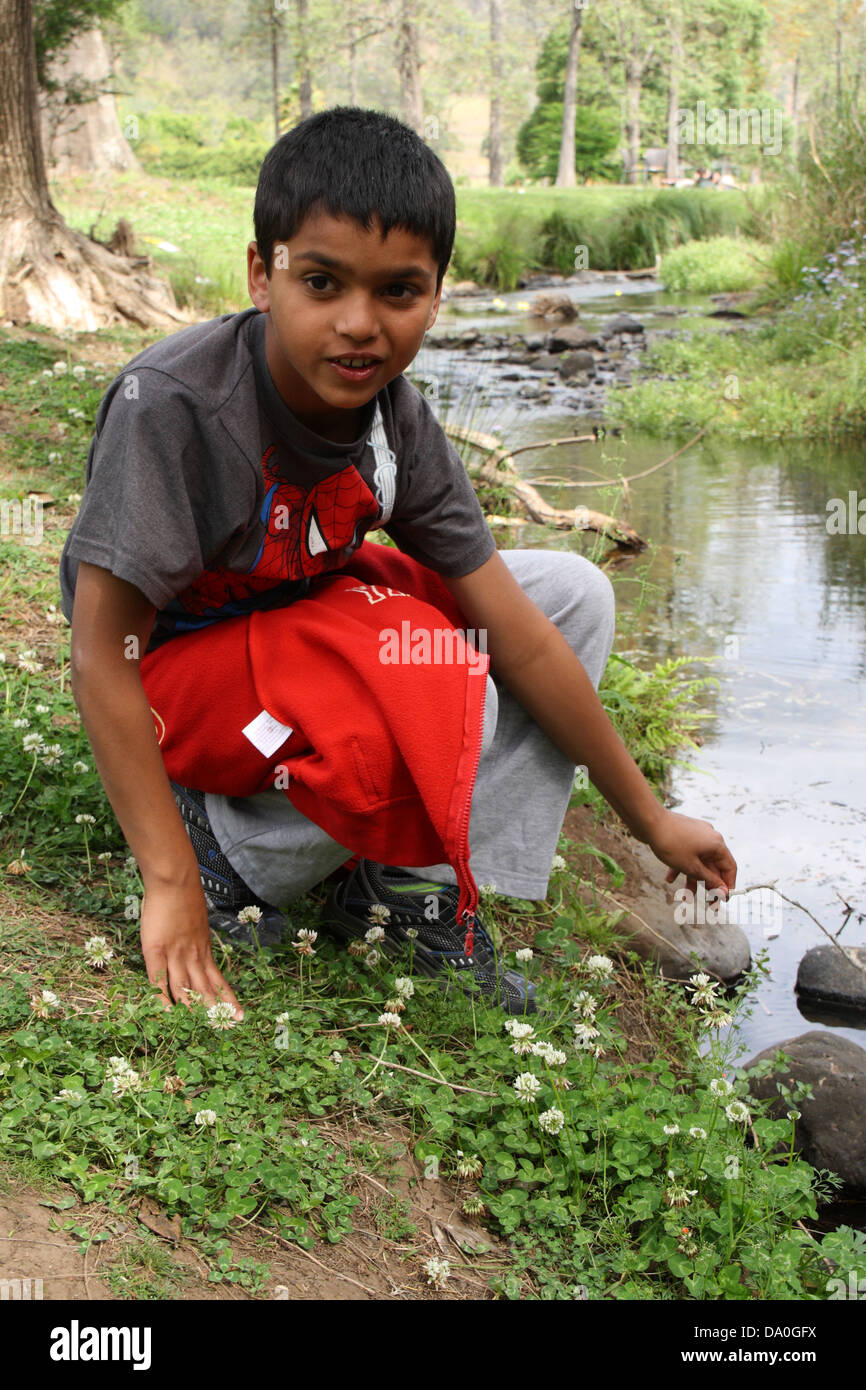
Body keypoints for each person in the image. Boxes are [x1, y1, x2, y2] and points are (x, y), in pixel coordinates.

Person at [59, 106, 736, 1022]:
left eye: (398, 292)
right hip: (180, 684)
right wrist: (168, 878)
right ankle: (225, 856)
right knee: (434, 674)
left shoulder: (394, 421)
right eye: (324, 282)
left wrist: (650, 820)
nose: (358, 325)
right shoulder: (174, 408)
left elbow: (527, 639)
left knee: (569, 599)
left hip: (298, 634)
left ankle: (412, 886)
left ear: (436, 295)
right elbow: (105, 655)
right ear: (264, 274)